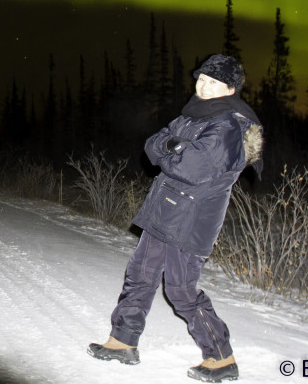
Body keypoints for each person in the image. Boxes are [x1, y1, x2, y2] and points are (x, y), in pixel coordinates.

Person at [87, 54, 263, 382]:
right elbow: (152, 146)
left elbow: (192, 168)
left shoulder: (226, 124)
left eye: (213, 82)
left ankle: (221, 357)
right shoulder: (193, 114)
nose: (204, 86)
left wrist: (173, 149)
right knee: (140, 274)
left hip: (192, 218)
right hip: (165, 207)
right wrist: (176, 146)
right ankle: (123, 340)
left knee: (181, 290)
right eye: (201, 79)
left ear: (230, 88)